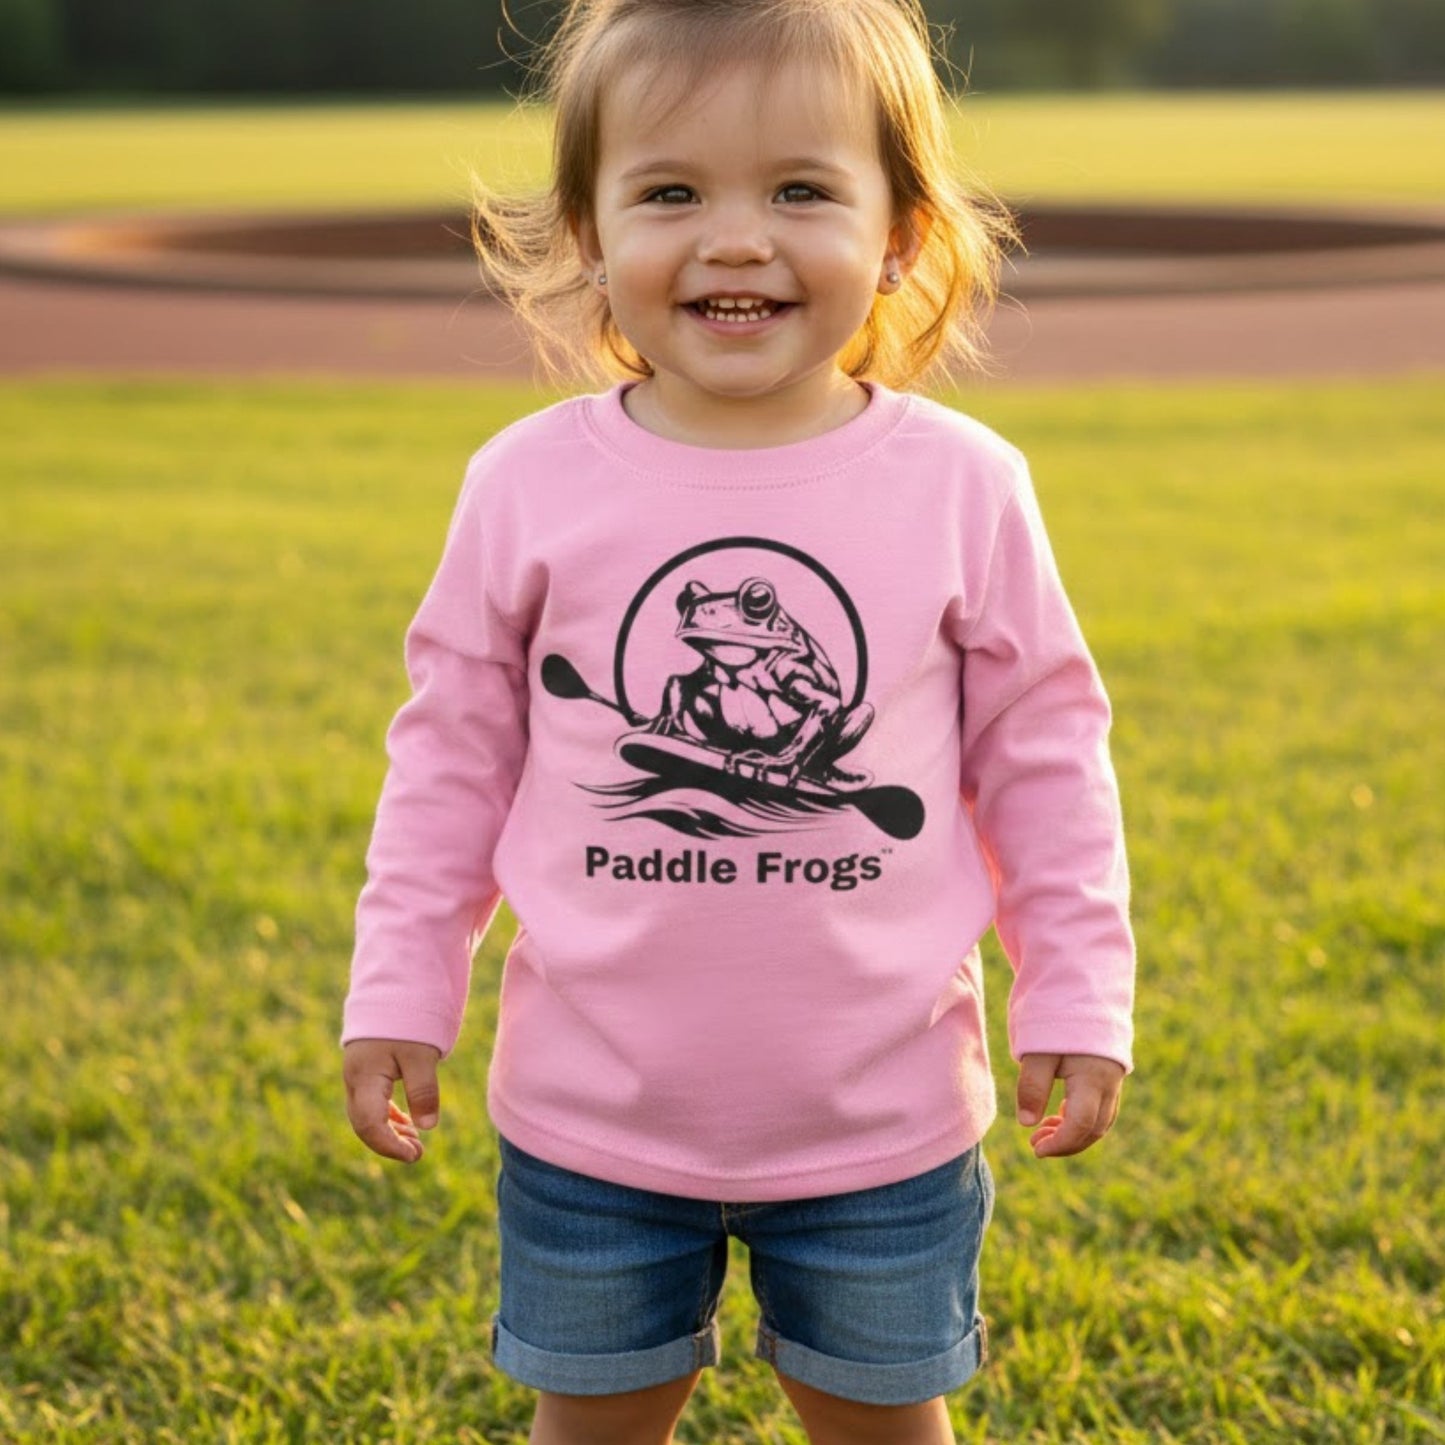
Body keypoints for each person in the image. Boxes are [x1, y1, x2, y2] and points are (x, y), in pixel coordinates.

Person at [341, 0, 1136, 1440]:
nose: (733, 238)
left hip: (880, 1117)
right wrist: (402, 984)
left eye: (798, 189)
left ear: (899, 229)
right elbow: (450, 753)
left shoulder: (962, 484)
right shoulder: (526, 484)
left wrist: (1072, 986)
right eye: (668, 191)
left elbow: (1043, 754)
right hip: (593, 1118)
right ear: (586, 227)